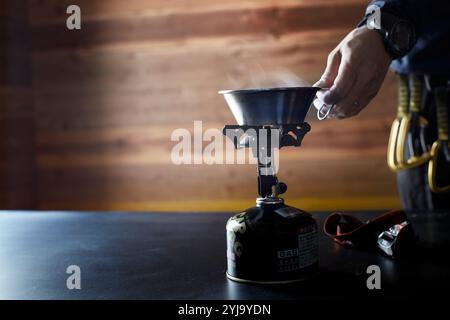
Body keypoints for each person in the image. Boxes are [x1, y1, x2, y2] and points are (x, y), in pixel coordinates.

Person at [313, 0, 450, 211]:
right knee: (430, 233)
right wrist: (377, 25)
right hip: (426, 114)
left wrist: (380, 25)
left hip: (427, 113)